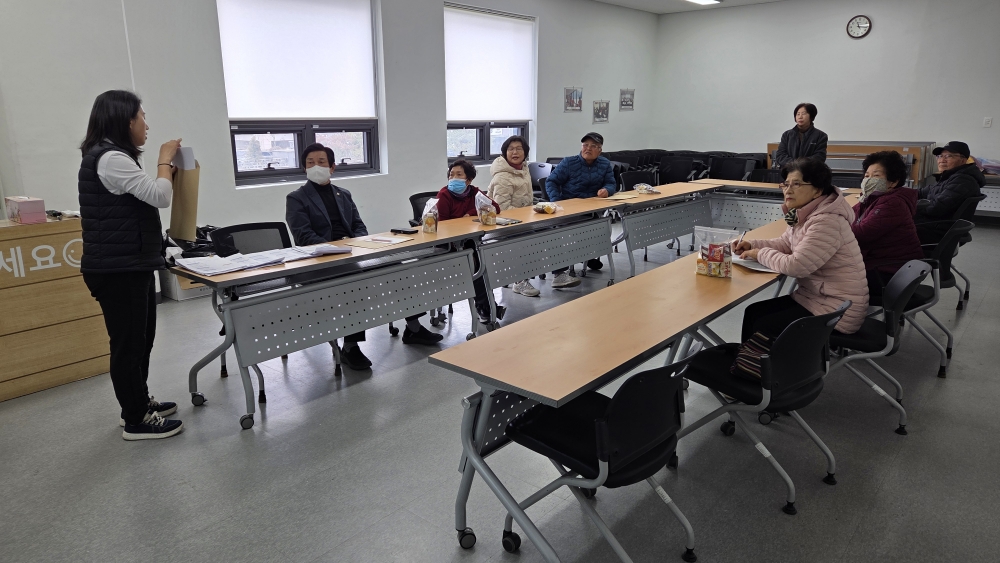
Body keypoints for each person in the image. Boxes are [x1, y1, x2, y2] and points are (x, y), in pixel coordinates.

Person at [78, 90, 183, 440]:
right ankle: (136, 419)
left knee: (141, 341)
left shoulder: (112, 155)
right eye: (142, 117)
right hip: (117, 270)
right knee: (129, 346)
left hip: (129, 265)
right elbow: (160, 197)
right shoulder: (110, 158)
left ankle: (139, 402)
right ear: (126, 120)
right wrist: (164, 160)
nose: (146, 125)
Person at [286, 143, 443, 369]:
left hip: (353, 252)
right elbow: (303, 235)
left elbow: (358, 225)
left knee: (397, 267)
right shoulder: (297, 198)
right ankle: (350, 346)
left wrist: (358, 244)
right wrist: (335, 247)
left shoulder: (343, 194)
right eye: (310, 163)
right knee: (353, 282)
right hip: (323, 259)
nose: (315, 167)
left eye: (321, 162)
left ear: (332, 167)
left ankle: (414, 327)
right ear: (304, 168)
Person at [731, 159, 868, 377]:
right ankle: (751, 369)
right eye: (785, 184)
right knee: (754, 312)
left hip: (837, 309)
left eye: (797, 184)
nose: (788, 190)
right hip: (818, 298)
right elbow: (786, 244)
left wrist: (759, 254)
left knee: (763, 322)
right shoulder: (807, 213)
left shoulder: (826, 221)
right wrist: (752, 244)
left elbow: (796, 266)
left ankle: (769, 378)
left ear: (817, 190)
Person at [543, 132, 616, 288]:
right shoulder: (569, 162)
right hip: (569, 210)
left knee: (600, 230)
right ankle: (559, 273)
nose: (588, 148)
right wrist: (557, 201)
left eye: (593, 146)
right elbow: (551, 182)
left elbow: (611, 183)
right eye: (585, 145)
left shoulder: (604, 164)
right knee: (562, 236)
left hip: (591, 209)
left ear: (600, 150)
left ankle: (587, 256)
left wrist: (607, 190)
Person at [435, 159, 503, 322]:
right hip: (449, 244)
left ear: (469, 179)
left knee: (482, 261)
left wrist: (472, 212)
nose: (453, 178)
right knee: (476, 264)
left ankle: (486, 307)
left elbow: (495, 208)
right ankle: (486, 308)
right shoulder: (444, 195)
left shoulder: (474, 192)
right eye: (451, 175)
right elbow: (442, 226)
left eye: (459, 175)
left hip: (469, 240)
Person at [851, 151, 924, 301]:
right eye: (866, 176)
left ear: (893, 182)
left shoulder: (893, 203)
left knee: (827, 278)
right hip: (878, 263)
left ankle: (843, 314)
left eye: (876, 176)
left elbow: (862, 234)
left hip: (891, 273)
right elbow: (848, 216)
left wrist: (832, 227)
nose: (868, 180)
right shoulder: (871, 198)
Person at [486, 135, 538, 297]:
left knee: (550, 231)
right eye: (511, 149)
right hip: (504, 224)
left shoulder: (522, 169)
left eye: (519, 149)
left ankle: (556, 273)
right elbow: (503, 210)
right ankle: (519, 281)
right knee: (529, 240)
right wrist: (527, 216)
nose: (515, 152)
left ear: (525, 152)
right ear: (505, 152)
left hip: (522, 220)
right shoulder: (503, 176)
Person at [914, 141, 985, 244]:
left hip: (937, 230)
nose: (942, 160)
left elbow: (936, 208)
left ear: (963, 160)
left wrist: (907, 207)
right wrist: (899, 192)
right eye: (940, 156)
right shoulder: (950, 177)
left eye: (948, 156)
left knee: (892, 227)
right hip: (934, 224)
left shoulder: (962, 181)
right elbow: (922, 192)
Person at [774, 103, 828, 167]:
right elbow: (780, 155)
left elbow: (819, 157)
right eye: (798, 114)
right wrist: (794, 165)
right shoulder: (787, 135)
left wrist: (801, 164)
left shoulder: (821, 136)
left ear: (811, 116)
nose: (800, 117)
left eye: (803, 114)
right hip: (790, 171)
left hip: (810, 171)